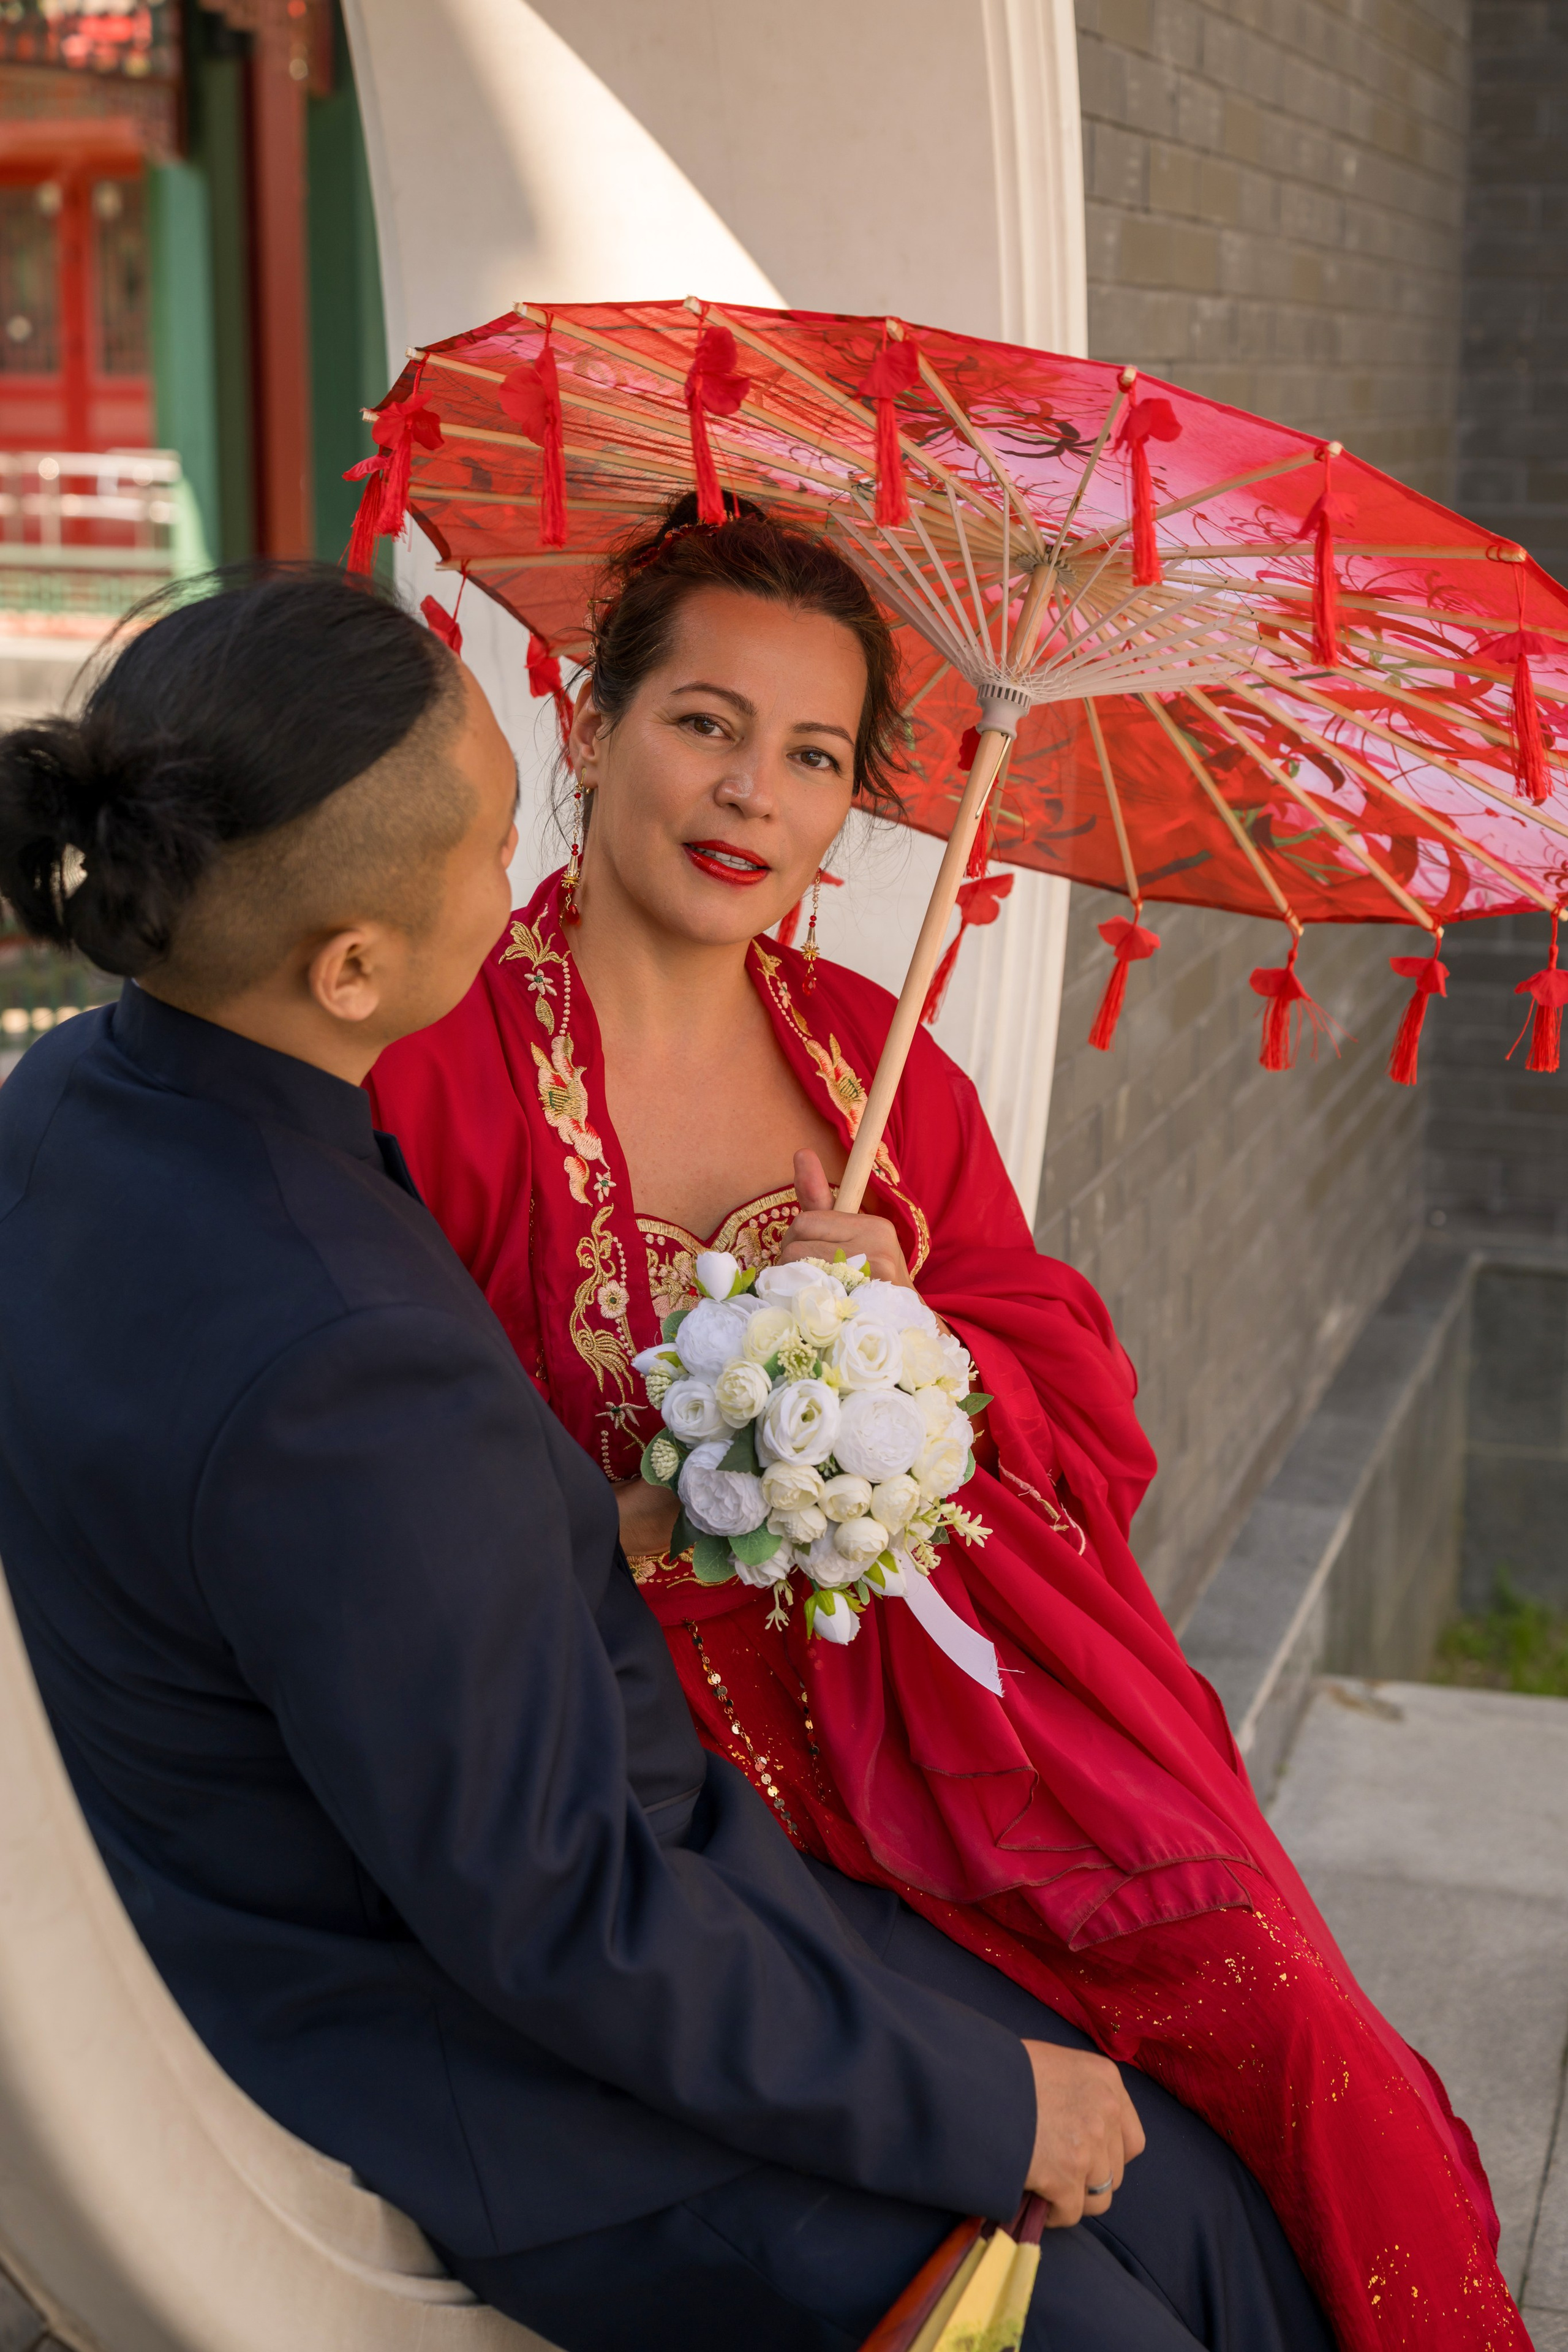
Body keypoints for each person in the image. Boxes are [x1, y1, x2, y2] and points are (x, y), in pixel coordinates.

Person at [0, 563, 1334, 2352]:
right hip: (520, 2068)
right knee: (1126, 2286)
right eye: (489, 849)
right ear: (353, 966)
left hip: (612, 1866)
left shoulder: (88, 1103)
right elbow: (558, 1916)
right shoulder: (350, 1354)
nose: (515, 880)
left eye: (812, 755)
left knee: (1216, 2194)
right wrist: (989, 2102)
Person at [367, 502, 1530, 2352]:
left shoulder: (873, 1061)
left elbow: (1078, 1408)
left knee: (1287, 2029)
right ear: (589, 729)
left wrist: (918, 1345)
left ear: (852, 809)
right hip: (669, 1788)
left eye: (815, 755)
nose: (753, 791)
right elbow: (394, 1527)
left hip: (968, 1731)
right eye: (705, 722)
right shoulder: (441, 1073)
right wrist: (683, 1485)